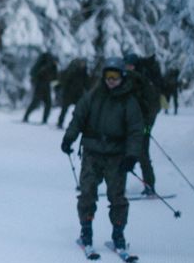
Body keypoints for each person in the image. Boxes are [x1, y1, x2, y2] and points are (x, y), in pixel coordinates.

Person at [61, 57, 145, 251]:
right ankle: (86, 231)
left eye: (115, 76)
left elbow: (135, 130)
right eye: (108, 76)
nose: (111, 80)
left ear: (122, 77)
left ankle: (118, 234)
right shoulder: (93, 96)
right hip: (92, 153)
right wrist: (69, 138)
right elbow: (78, 118)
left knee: (117, 197)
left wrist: (131, 156)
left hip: (116, 155)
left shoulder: (129, 101)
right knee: (87, 193)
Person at [125, 53, 161, 196]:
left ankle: (150, 186)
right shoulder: (126, 80)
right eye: (126, 66)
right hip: (127, 125)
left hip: (142, 126)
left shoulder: (143, 82)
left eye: (130, 66)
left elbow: (153, 107)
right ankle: (118, 186)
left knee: (142, 155)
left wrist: (147, 127)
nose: (128, 68)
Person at [23, 51, 58, 124]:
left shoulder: (53, 67)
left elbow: (55, 79)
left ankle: (44, 120)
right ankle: (25, 117)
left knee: (48, 103)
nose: (56, 63)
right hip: (39, 86)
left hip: (46, 87)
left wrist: (57, 88)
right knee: (35, 102)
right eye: (56, 62)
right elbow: (34, 74)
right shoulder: (45, 65)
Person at [55, 57, 90, 130]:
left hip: (78, 94)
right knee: (64, 109)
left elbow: (86, 83)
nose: (83, 64)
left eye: (84, 63)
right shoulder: (73, 70)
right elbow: (66, 81)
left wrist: (87, 91)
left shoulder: (84, 72)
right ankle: (60, 123)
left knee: (79, 110)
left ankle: (77, 125)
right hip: (68, 93)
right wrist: (63, 91)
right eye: (82, 63)